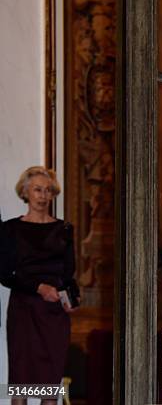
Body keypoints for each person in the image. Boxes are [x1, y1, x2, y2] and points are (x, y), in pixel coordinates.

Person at [0, 166, 79, 405]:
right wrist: (38, 288)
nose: (43, 195)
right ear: (25, 192)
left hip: (54, 315)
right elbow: (5, 274)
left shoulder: (64, 229)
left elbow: (68, 274)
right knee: (21, 385)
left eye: (48, 190)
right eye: (37, 189)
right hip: (23, 312)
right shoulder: (10, 229)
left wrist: (71, 299)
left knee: (48, 386)